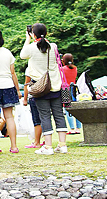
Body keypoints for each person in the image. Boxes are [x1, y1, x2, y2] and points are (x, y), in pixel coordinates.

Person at [20, 23, 68, 155]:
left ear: (33, 34)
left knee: (44, 115)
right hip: (55, 84)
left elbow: (22, 55)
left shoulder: (31, 47)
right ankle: (62, 145)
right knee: (58, 114)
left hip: (40, 86)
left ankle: (48, 147)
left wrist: (28, 38)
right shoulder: (53, 46)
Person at [0, 27, 21, 153]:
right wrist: (17, 90)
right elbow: (13, 73)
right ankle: (14, 146)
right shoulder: (7, 53)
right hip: (8, 85)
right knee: (9, 117)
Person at [61, 53, 81, 134]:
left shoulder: (62, 69)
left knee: (67, 108)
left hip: (65, 89)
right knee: (76, 107)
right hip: (74, 89)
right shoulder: (75, 68)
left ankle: (72, 128)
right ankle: (78, 128)